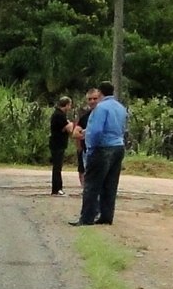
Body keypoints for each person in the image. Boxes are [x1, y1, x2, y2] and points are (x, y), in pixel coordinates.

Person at [72, 81, 129, 226]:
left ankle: (87, 218)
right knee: (110, 184)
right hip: (118, 146)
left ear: (100, 92)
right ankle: (106, 216)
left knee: (91, 184)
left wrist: (91, 147)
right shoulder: (121, 108)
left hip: (102, 147)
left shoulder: (101, 108)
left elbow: (96, 130)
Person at [48, 96, 73, 194]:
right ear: (66, 105)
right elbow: (69, 129)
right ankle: (57, 189)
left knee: (58, 167)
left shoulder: (59, 114)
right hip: (57, 143)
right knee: (57, 167)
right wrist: (69, 124)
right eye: (70, 105)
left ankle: (58, 188)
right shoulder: (59, 115)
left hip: (58, 143)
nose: (70, 107)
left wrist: (68, 125)